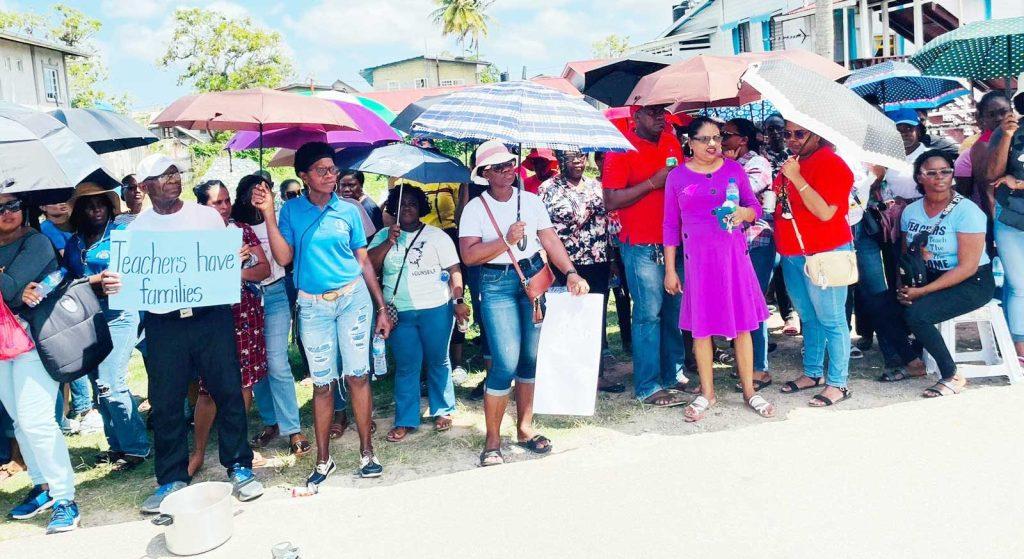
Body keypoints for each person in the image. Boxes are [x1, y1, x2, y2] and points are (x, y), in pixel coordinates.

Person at [102, 154, 263, 512]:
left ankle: (239, 466)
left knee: (228, 391)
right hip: (165, 323)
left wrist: (237, 259)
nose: (172, 179)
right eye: (162, 175)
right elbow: (126, 280)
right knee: (166, 401)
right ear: (144, 187)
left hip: (211, 317)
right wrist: (115, 282)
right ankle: (171, 479)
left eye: (174, 172)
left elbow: (226, 259)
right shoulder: (135, 231)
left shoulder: (205, 216)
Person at [251, 142, 393, 485]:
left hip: (353, 300)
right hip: (313, 306)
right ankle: (323, 459)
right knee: (322, 384)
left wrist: (381, 307)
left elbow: (363, 262)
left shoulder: (348, 211)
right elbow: (283, 259)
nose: (331, 176)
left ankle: (367, 451)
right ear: (304, 176)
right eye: (323, 170)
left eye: (333, 169)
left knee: (358, 375)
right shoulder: (290, 212)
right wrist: (269, 214)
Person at [460, 139, 590, 467]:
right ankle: (492, 439)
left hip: (532, 276)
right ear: (485, 173)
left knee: (530, 357)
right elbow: (470, 256)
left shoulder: (529, 201)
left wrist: (570, 272)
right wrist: (505, 239)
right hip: (495, 283)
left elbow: (549, 239)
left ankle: (524, 429)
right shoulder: (475, 209)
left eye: (510, 165)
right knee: (504, 360)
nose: (508, 171)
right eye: (500, 167)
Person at [664, 117, 775, 421]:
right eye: (705, 139)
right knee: (702, 328)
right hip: (697, 262)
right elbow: (671, 225)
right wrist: (670, 270)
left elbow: (755, 208)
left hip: (733, 258)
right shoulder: (677, 177)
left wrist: (744, 212)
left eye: (717, 137)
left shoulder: (733, 169)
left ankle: (750, 391)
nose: (713, 144)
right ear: (690, 142)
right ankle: (707, 393)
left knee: (741, 326)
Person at [0, 193, 80, 533]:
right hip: (3, 345)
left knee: (36, 420)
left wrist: (14, 288)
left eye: (13, 205)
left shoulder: (36, 242)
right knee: (18, 421)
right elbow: (14, 291)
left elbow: (11, 289)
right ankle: (42, 486)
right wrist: (15, 289)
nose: (8, 213)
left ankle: (66, 498)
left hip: (33, 339)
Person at [602, 103, 691, 407]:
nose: (659, 117)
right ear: (635, 116)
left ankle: (673, 375)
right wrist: (654, 182)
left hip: (674, 243)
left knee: (673, 312)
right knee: (648, 315)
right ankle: (647, 386)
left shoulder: (670, 140)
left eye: (662, 112)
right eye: (652, 112)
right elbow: (611, 198)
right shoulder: (619, 149)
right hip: (640, 245)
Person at [60, 183, 150, 472]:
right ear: (79, 212)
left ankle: (137, 448)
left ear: (110, 207)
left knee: (111, 383)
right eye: (88, 205)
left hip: (121, 313)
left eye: (100, 203)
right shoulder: (75, 243)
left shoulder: (121, 234)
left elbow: (140, 269)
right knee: (100, 388)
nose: (95, 209)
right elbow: (67, 278)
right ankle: (117, 446)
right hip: (88, 318)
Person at [367, 185, 467, 441]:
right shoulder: (382, 236)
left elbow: (454, 269)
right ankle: (406, 419)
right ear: (393, 209)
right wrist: (389, 241)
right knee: (407, 366)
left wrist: (458, 299)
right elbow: (369, 267)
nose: (407, 208)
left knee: (438, 360)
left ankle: (443, 409)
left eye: (412, 203)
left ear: (421, 207)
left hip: (436, 308)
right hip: (399, 312)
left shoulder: (437, 236)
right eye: (401, 204)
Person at [189, 179, 273, 476]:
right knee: (208, 389)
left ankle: (238, 449)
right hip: (209, 317)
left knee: (244, 384)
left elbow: (265, 269)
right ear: (202, 206)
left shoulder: (242, 231)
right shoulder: (190, 237)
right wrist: (224, 268)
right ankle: (197, 451)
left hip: (244, 315)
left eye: (226, 200)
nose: (224, 207)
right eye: (217, 202)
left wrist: (239, 273)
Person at [772, 121, 855, 407]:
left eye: (799, 134)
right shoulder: (791, 164)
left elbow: (825, 212)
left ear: (817, 133)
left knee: (832, 319)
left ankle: (838, 382)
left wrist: (797, 178)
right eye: (787, 134)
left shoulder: (833, 164)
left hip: (826, 252)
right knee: (808, 316)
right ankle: (813, 372)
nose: (792, 140)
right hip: (793, 253)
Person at [898, 150, 994, 396]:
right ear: (919, 177)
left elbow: (968, 267)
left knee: (919, 314)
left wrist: (922, 291)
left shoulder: (967, 211)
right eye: (931, 173)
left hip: (973, 282)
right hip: (930, 277)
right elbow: (907, 255)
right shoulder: (911, 212)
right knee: (882, 303)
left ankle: (952, 374)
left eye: (945, 172)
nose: (939, 177)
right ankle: (912, 363)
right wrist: (906, 286)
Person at [237, 176, 311, 458]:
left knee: (278, 363)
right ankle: (272, 422)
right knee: (256, 368)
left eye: (264, 189)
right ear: (242, 195)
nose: (258, 194)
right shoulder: (235, 226)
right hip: (246, 297)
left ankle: (293, 429)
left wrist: (269, 214)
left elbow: (284, 260)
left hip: (276, 294)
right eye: (253, 190)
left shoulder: (280, 218)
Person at [539, 150, 624, 393]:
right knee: (564, 319)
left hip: (598, 261)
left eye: (581, 156)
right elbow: (541, 230)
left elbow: (610, 221)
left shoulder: (597, 186)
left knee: (593, 318)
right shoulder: (548, 189)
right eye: (570, 157)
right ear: (559, 159)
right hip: (564, 264)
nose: (578, 161)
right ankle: (563, 376)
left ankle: (595, 375)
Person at [722, 117, 776, 390]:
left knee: (753, 301)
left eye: (726, 134)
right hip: (731, 243)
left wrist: (727, 166)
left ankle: (759, 368)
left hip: (757, 241)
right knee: (738, 301)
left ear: (743, 139)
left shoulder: (759, 164)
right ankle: (745, 361)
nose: (720, 139)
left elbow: (739, 196)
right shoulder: (725, 164)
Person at [984, 82, 1024, 364]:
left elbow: (1010, 180)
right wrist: (1007, 134)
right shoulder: (1008, 130)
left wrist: (1018, 182)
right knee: (1017, 284)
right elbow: (992, 174)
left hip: (1014, 202)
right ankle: (1019, 347)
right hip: (1010, 217)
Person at [760, 113, 799, 337]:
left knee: (788, 265)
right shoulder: (761, 157)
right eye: (770, 129)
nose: (775, 133)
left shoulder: (792, 156)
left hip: (789, 215)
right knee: (771, 269)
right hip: (766, 217)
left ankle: (791, 314)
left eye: (779, 129)